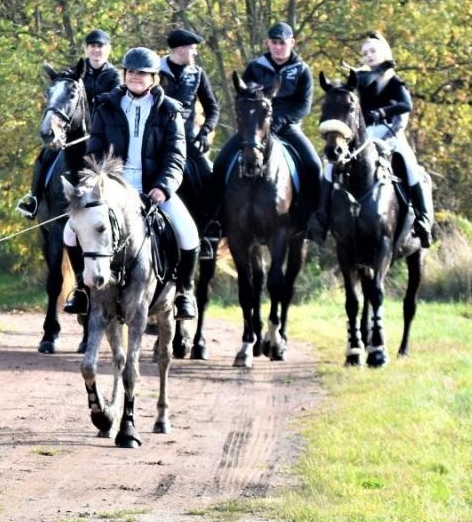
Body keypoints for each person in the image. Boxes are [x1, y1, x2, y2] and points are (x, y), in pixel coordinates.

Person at [64, 47, 199, 320]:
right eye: (131, 71)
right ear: (125, 74)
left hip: (155, 189)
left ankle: (184, 293)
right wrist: (95, 184)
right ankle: (81, 290)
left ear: (154, 77)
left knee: (188, 234)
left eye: (142, 73)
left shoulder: (170, 111)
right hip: (114, 190)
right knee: (69, 231)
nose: (135, 77)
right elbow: (95, 151)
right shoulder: (106, 106)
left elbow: (175, 156)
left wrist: (163, 187)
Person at [309, 31, 434, 246]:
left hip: (391, 132)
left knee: (411, 166)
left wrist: (381, 113)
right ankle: (321, 218)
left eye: (373, 51)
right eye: (365, 53)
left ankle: (422, 220)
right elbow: (358, 85)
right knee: (329, 166)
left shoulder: (394, 80)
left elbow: (406, 106)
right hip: (364, 136)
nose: (368, 55)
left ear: (383, 52)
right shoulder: (363, 78)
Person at [207, 21, 321, 229]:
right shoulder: (255, 67)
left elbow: (303, 106)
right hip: (255, 129)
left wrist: (279, 121)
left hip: (287, 127)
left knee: (314, 165)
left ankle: (313, 219)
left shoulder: (302, 70)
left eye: (282, 43)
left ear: (292, 43)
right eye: (274, 42)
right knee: (221, 162)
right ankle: (215, 219)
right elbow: (244, 98)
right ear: (268, 43)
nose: (278, 47)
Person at [18, 28, 121, 218]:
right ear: (86, 49)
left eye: (100, 46)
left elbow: (115, 101)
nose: (96, 50)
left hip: (104, 131)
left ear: (108, 50)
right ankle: (34, 199)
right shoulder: (77, 72)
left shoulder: (114, 76)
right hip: (74, 132)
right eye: (92, 46)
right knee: (45, 154)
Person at [159, 28, 219, 207]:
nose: (195, 52)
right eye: (193, 48)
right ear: (181, 50)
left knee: (209, 176)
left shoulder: (197, 73)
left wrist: (205, 132)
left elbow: (212, 108)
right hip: (158, 140)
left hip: (188, 140)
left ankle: (212, 224)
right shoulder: (154, 72)